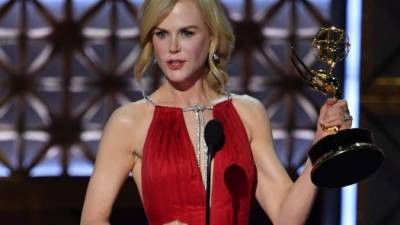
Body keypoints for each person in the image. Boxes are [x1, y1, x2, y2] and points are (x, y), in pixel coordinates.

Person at [80, 0, 352, 225]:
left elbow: (286, 218)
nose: (173, 46)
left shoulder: (247, 113)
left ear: (211, 37)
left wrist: (321, 148)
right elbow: (92, 219)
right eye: (161, 33)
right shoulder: (129, 121)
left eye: (187, 32)